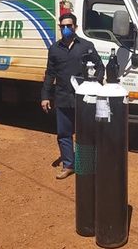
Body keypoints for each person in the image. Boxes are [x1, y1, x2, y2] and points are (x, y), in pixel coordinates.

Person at [41, 13, 104, 179]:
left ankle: (86, 165)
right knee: (64, 134)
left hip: (83, 99)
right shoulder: (54, 49)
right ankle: (68, 165)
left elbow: (100, 68)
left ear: (75, 27)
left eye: (69, 26)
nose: (66, 29)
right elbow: (50, 74)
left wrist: (94, 86)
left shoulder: (86, 46)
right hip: (62, 97)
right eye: (63, 26)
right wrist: (45, 96)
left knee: (86, 132)